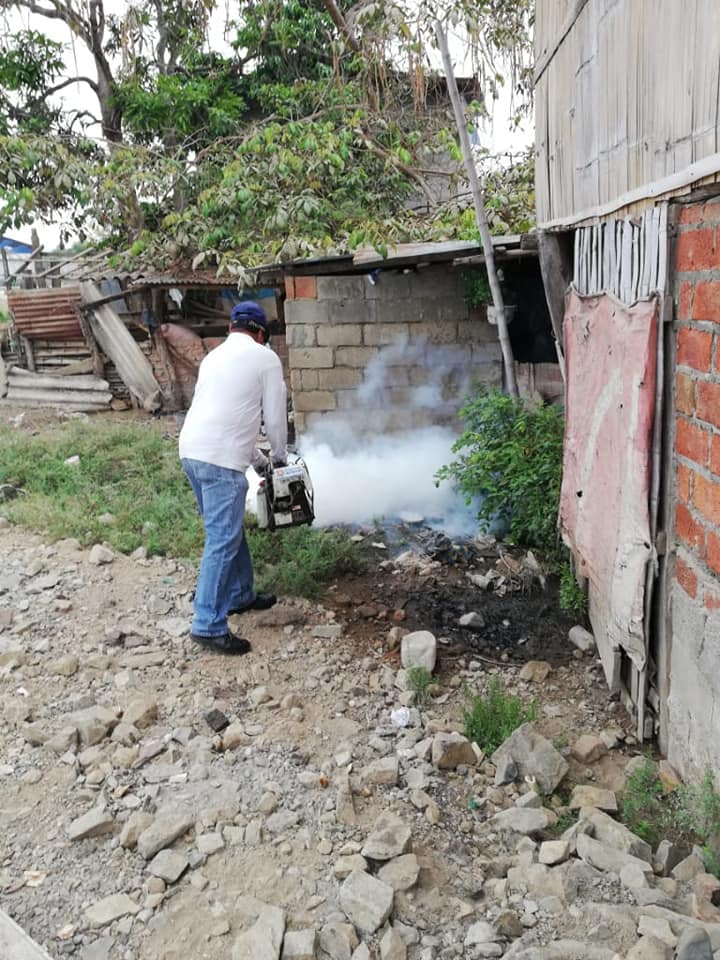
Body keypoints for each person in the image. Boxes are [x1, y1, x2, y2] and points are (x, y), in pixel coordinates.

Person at [179, 300, 288, 654]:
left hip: (192, 452)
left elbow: (230, 419)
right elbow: (274, 418)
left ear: (230, 328)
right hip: (219, 459)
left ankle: (241, 595)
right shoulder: (265, 358)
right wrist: (279, 458)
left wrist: (258, 461)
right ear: (261, 333)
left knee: (228, 530)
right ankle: (207, 624)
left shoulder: (213, 357)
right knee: (222, 539)